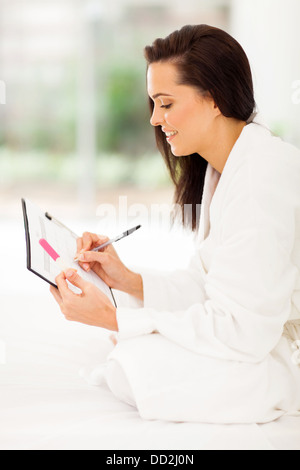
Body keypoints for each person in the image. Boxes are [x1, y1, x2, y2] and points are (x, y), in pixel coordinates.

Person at [50, 24, 300, 423]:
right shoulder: (226, 168)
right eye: (153, 103)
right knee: (135, 355)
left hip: (273, 353)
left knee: (139, 362)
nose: (154, 118)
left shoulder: (260, 178)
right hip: (254, 338)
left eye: (165, 104)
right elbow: (211, 284)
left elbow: (242, 330)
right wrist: (127, 280)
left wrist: (116, 319)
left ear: (214, 98)